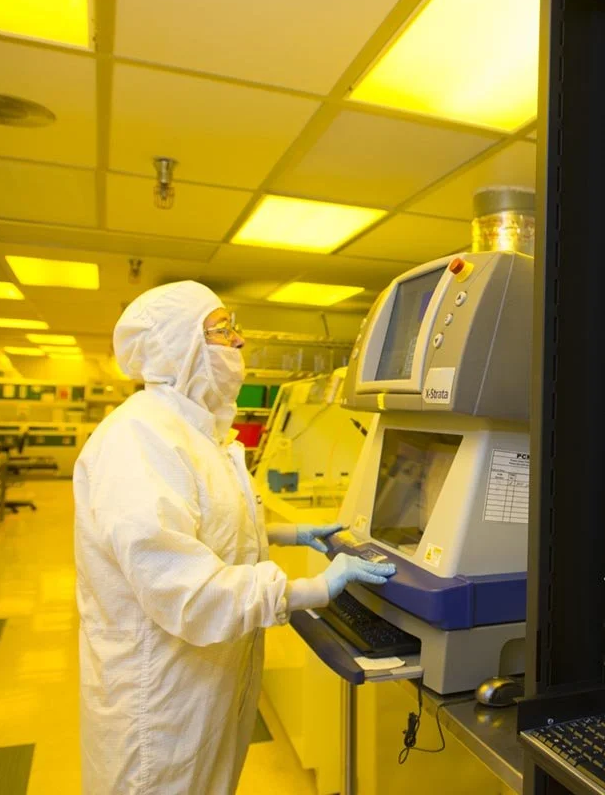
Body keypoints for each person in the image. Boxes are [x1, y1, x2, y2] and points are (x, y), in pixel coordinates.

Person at [73, 281, 395, 794]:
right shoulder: (139, 439)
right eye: (221, 329)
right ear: (179, 345)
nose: (239, 342)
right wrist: (313, 589)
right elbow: (186, 588)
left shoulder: (195, 432)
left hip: (205, 685)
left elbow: (199, 527)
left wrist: (285, 533)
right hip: (159, 704)